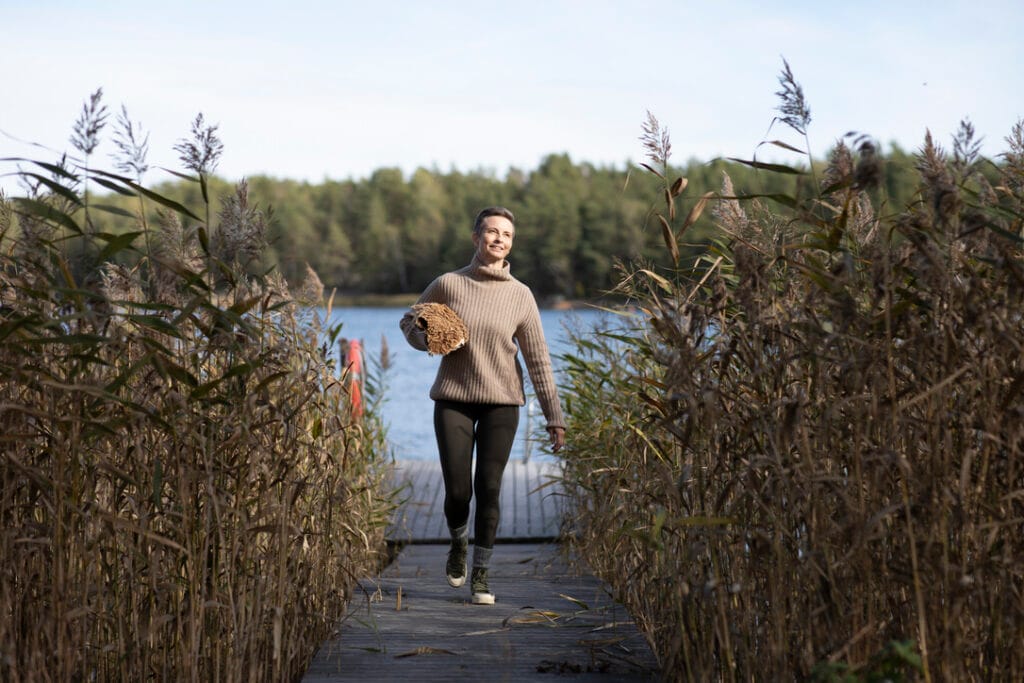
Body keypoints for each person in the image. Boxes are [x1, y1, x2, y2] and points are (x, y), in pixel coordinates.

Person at [399, 206, 566, 605]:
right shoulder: (448, 284)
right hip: (454, 398)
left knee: (488, 487)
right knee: (459, 492)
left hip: (502, 403)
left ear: (511, 243)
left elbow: (538, 359)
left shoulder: (520, 295)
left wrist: (554, 417)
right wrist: (427, 340)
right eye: (491, 232)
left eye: (506, 234)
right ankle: (458, 543)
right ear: (476, 238)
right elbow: (409, 321)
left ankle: (481, 575)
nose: (498, 239)